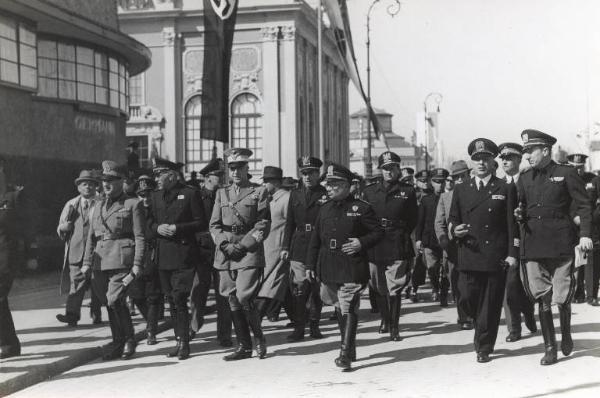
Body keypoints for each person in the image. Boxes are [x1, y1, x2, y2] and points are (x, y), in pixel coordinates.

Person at [516, 130, 593, 365]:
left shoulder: (566, 173)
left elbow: (584, 206)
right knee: (542, 297)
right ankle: (550, 347)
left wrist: (585, 235)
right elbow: (522, 207)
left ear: (546, 150)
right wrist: (519, 214)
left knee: (561, 297)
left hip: (561, 245)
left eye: (531, 150)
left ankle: (566, 333)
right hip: (534, 245)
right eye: (525, 151)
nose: (527, 155)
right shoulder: (524, 178)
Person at [306, 163, 383, 371]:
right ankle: (350, 347)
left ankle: (345, 354)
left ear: (347, 185)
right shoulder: (324, 208)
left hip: (351, 264)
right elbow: (315, 239)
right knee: (339, 306)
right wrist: (310, 265)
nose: (328, 188)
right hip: (328, 264)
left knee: (348, 304)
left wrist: (361, 243)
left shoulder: (362, 208)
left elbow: (378, 233)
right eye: (327, 185)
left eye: (333, 184)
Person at [449, 138, 519, 363]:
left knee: (489, 305)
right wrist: (455, 230)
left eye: (486, 159)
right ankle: (479, 328)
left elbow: (512, 225)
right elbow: (453, 218)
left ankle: (484, 346)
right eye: (477, 159)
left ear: (492, 162)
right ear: (472, 161)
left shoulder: (505, 188)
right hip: (469, 253)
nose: (481, 163)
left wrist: (512, 253)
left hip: (494, 256)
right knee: (467, 298)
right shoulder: (461, 189)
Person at [210, 148, 271, 361]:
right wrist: (224, 244)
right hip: (226, 252)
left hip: (248, 252)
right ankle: (244, 346)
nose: (235, 172)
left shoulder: (259, 192)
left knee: (245, 296)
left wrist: (244, 246)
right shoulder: (221, 193)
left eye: (239, 168)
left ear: (247, 169)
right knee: (231, 299)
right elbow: (214, 225)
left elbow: (263, 224)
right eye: (232, 168)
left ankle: (259, 338)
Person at [83, 161, 146, 360]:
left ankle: (129, 339)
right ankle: (118, 341)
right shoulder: (98, 205)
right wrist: (86, 262)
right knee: (110, 303)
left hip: (122, 258)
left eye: (111, 180)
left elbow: (140, 236)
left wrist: (137, 264)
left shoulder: (132, 204)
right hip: (100, 260)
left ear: (122, 181)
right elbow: (91, 237)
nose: (106, 184)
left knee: (114, 298)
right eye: (104, 181)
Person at [148, 157, 207, 360]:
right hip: (163, 256)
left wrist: (177, 228)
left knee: (179, 298)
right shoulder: (155, 197)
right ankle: (178, 339)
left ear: (171, 175)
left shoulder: (190, 194)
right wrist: (157, 228)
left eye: (159, 174)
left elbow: (201, 222)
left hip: (184, 255)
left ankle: (184, 343)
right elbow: (148, 224)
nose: (156, 178)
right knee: (171, 301)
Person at [363, 151, 417, 341]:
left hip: (396, 241)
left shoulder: (408, 191)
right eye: (385, 168)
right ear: (381, 170)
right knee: (378, 285)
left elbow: (412, 219)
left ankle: (394, 327)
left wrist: (401, 232)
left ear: (398, 169)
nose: (389, 172)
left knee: (395, 286)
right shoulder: (369, 191)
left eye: (392, 168)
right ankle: (384, 319)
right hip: (375, 242)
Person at [281, 156, 328, 342]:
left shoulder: (325, 194)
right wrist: (285, 246)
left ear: (318, 174)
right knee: (300, 289)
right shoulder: (295, 194)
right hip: (299, 246)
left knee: (316, 287)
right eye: (304, 173)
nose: (307, 177)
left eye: (311, 173)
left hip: (318, 246)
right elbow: (289, 223)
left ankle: (315, 326)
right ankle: (299, 328)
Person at [189, 158, 233, 346]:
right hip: (201, 251)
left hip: (221, 250)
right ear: (207, 178)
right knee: (198, 291)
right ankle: (192, 328)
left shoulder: (226, 196)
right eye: (218, 176)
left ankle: (224, 335)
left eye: (222, 175)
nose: (221, 179)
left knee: (224, 293)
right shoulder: (196, 196)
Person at [497, 143, 537, 342]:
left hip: (529, 240)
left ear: (519, 159)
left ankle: (529, 312)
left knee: (526, 285)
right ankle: (514, 328)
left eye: (510, 157)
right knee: (509, 286)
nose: (505, 161)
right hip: (507, 244)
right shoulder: (497, 185)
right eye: (502, 158)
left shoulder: (529, 180)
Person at [56, 170, 103, 327]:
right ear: (79, 188)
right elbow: (60, 227)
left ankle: (96, 313)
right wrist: (64, 227)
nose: (88, 187)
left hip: (98, 251)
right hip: (76, 251)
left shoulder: (102, 203)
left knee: (97, 282)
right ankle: (72, 315)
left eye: (91, 184)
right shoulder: (71, 204)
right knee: (76, 283)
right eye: (84, 184)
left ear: (96, 186)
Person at [434, 160, 474, 330]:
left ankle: (473, 313)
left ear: (468, 175)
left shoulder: (477, 192)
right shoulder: (445, 197)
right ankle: (463, 316)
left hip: (474, 247)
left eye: (462, 176)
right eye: (456, 177)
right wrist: (444, 240)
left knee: (473, 283)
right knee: (457, 283)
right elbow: (439, 222)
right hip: (453, 248)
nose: (459, 180)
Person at [255, 167, 291, 319]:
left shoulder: (287, 199)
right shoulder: (269, 199)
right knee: (280, 287)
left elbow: (291, 225)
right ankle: (299, 320)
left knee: (268, 286)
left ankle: (255, 320)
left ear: (275, 183)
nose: (264, 186)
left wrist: (287, 247)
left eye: (266, 182)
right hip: (267, 250)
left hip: (279, 251)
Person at [566, 153, 599, 304]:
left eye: (580, 167)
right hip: (571, 226)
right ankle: (577, 293)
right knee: (575, 260)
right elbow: (563, 202)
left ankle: (591, 296)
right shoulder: (565, 179)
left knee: (590, 260)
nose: (578, 170)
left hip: (591, 225)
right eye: (574, 167)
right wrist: (574, 217)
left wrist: (589, 219)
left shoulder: (593, 179)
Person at [0, 180, 27, 359]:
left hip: (5, 259)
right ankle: (10, 344)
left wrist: (31, 255)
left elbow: (26, 228)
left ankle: (9, 344)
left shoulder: (13, 197)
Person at [415, 168, 449, 305]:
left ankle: (444, 295)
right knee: (432, 268)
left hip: (446, 239)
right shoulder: (426, 200)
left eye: (442, 182)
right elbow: (420, 221)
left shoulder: (450, 198)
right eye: (436, 182)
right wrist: (418, 239)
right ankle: (435, 288)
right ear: (431, 182)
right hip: (429, 240)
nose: (439, 185)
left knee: (446, 269)